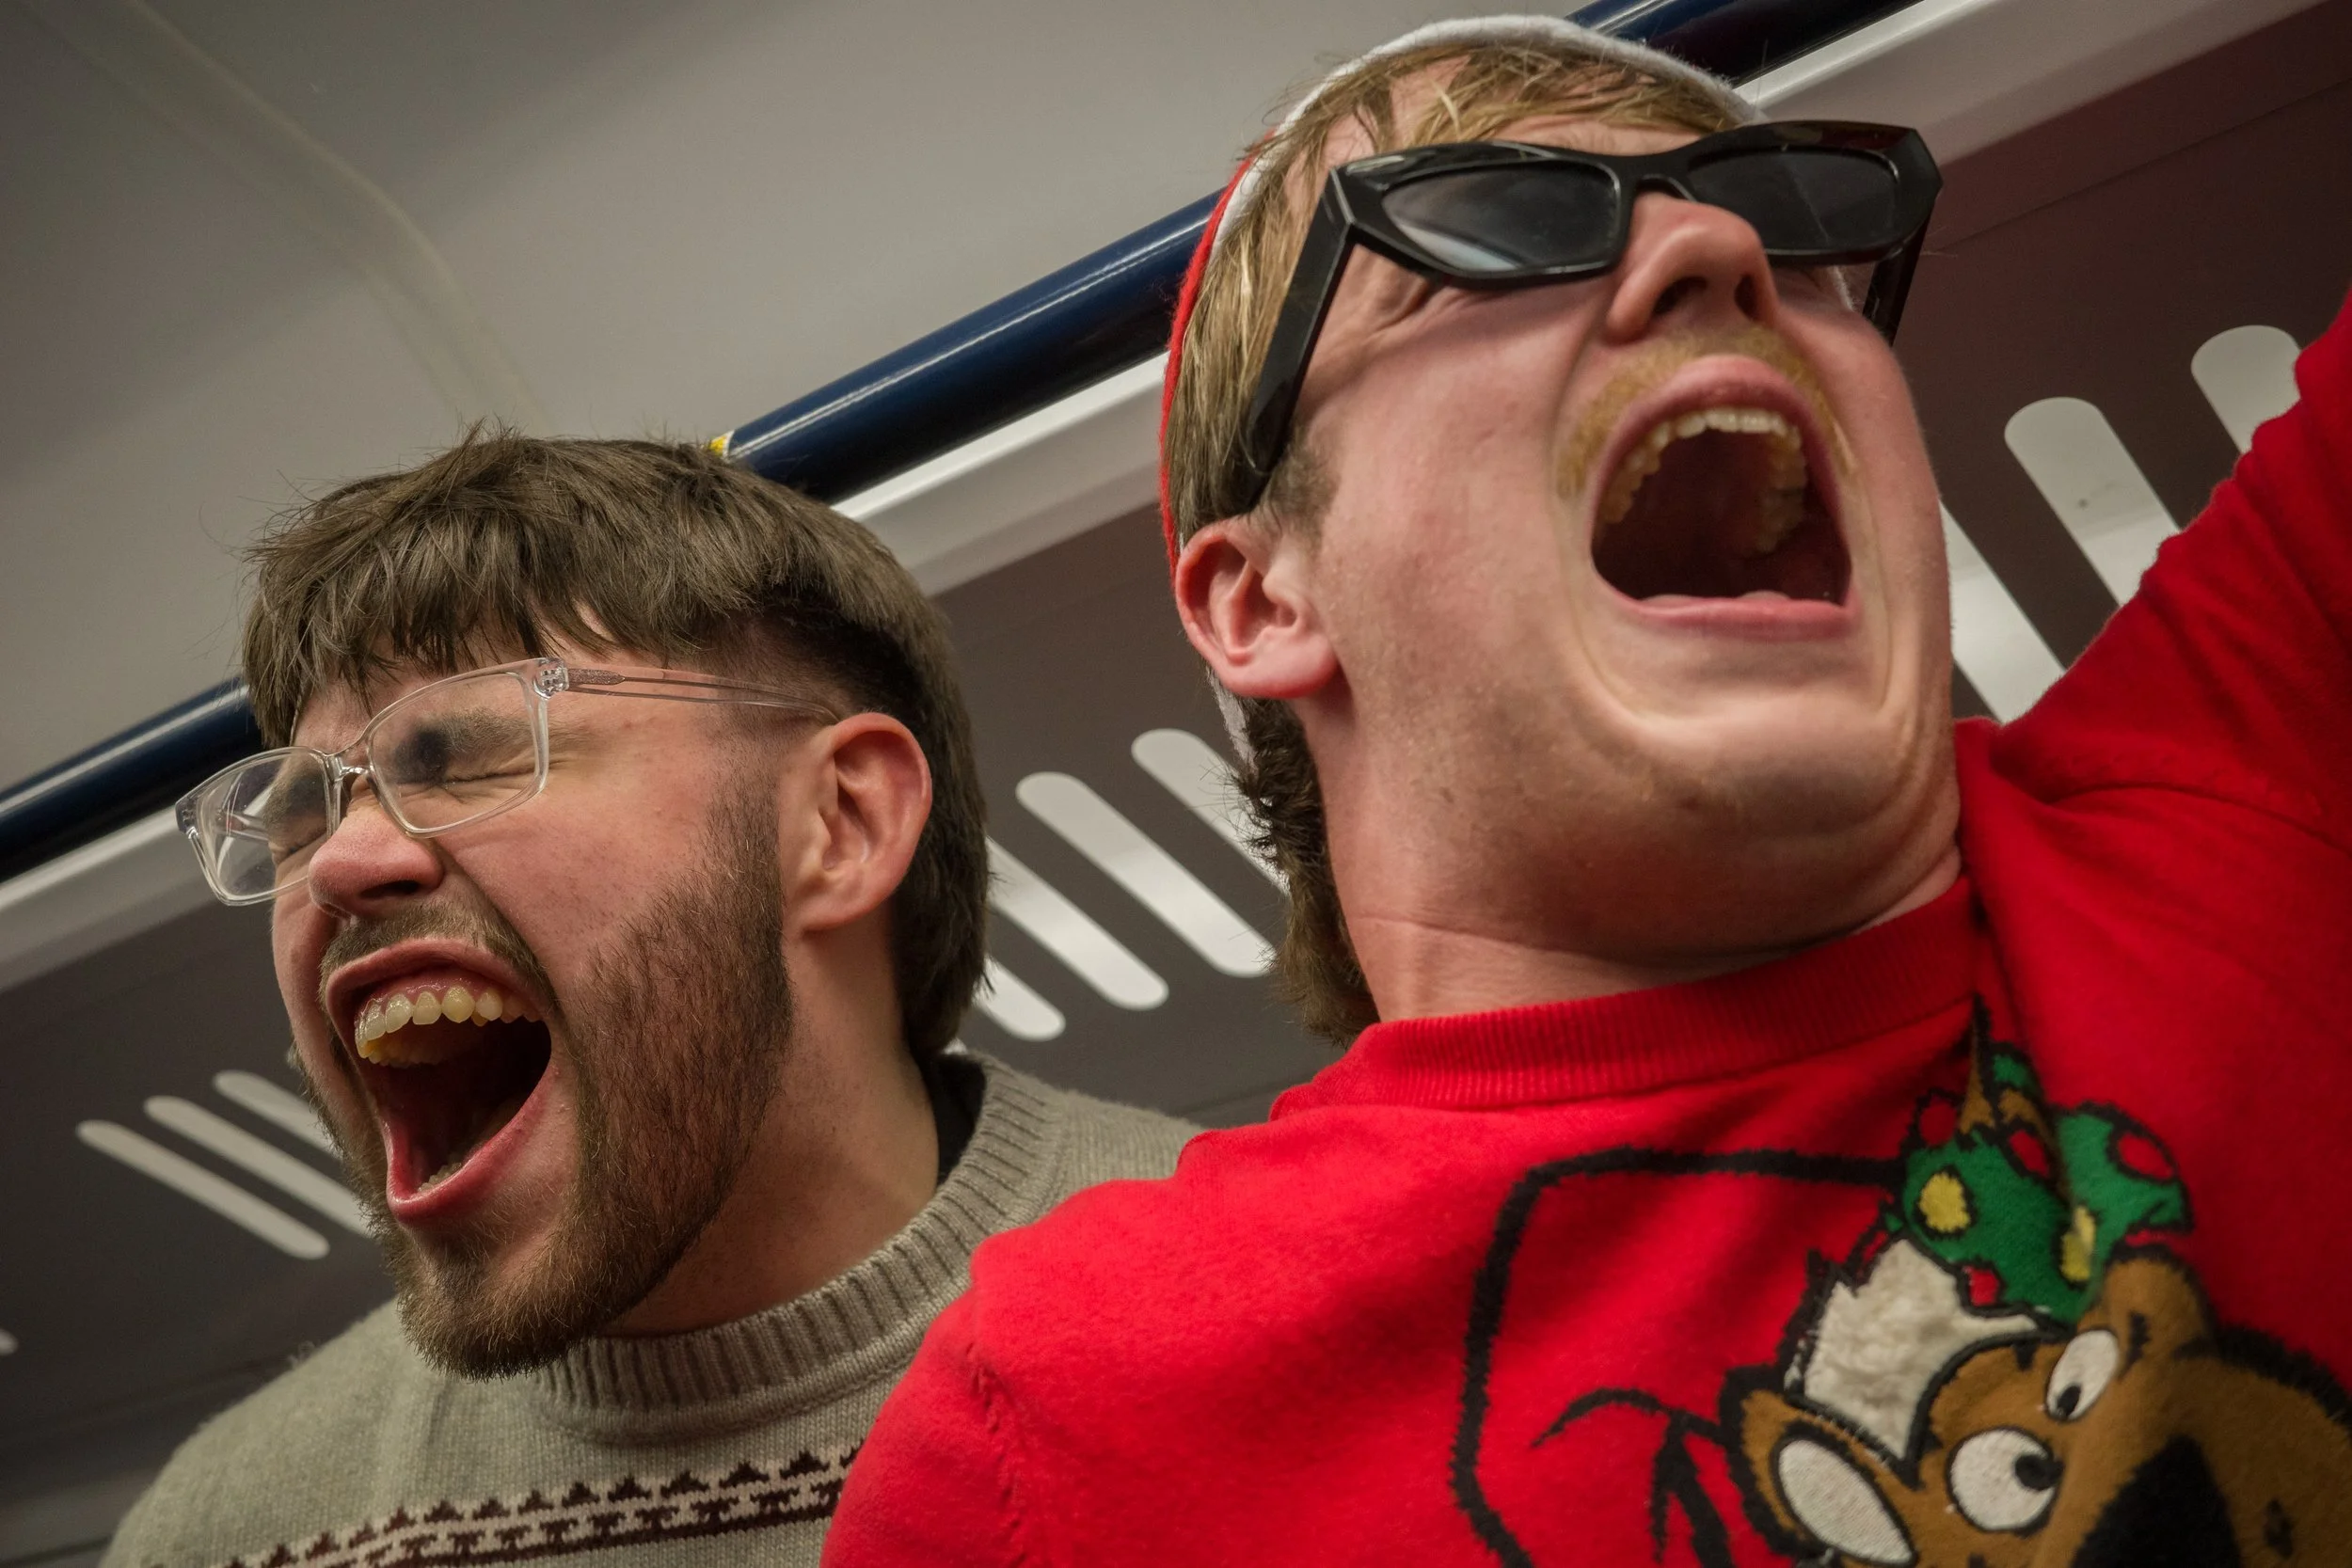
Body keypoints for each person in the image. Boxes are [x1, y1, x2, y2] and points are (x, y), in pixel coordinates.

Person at [823, 16, 2352, 1564]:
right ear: (1262, 600)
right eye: (1493, 224)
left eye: (1790, 231)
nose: (1714, 250)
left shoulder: (2274, 750)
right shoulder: (1064, 1444)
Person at [103, 433, 1193, 1568]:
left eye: (465, 756)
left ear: (841, 823)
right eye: (300, 814)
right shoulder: (230, 1531)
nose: (336, 862)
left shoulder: (1283, 1340)